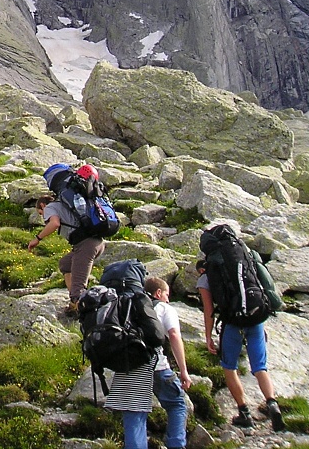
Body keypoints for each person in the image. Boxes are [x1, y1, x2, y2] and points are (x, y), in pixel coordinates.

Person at [196, 258, 285, 431]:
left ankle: (244, 412)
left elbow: (209, 311)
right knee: (260, 366)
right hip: (255, 319)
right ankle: (272, 404)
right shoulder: (243, 264)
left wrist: (208, 337)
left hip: (233, 324)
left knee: (229, 367)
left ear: (201, 269)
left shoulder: (205, 279)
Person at [101, 261, 167, 449]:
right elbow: (157, 336)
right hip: (139, 359)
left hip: (117, 358)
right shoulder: (139, 299)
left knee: (132, 413)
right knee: (135, 413)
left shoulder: (110, 300)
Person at [28, 163, 107, 314]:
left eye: (40, 213)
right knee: (65, 264)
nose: (42, 216)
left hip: (85, 245)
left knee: (78, 289)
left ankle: (80, 309)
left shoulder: (50, 208)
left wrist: (37, 238)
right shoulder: (65, 203)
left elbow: (55, 223)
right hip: (97, 242)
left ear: (42, 205)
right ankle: (77, 301)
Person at [145, 277, 191, 449]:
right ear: (158, 293)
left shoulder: (132, 306)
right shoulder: (164, 308)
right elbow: (173, 335)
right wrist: (183, 371)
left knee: (137, 411)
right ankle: (176, 444)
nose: (168, 299)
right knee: (177, 404)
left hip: (133, 367)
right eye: (166, 294)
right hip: (157, 367)